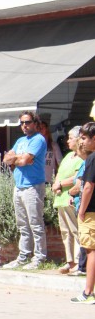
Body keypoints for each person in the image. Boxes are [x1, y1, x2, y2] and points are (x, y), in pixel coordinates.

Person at [3, 111, 48, 270]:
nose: (24, 125)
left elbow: (25, 160)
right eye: (22, 122)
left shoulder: (38, 139)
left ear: (35, 123)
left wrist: (18, 159)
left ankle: (39, 257)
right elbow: (6, 159)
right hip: (19, 186)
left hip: (33, 186)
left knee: (35, 223)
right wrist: (17, 159)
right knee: (22, 224)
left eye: (27, 122)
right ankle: (23, 256)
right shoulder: (20, 140)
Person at [53, 126, 84, 274]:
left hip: (71, 198)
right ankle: (69, 261)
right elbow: (59, 172)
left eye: (71, 138)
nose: (68, 141)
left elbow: (77, 177)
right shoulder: (67, 156)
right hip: (61, 198)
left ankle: (79, 261)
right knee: (65, 231)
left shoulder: (82, 158)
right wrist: (56, 184)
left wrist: (60, 184)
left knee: (75, 230)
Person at [71, 121, 95, 304]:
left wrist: (82, 210)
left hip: (91, 211)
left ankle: (88, 292)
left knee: (91, 251)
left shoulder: (92, 158)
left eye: (85, 138)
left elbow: (88, 186)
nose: (83, 142)